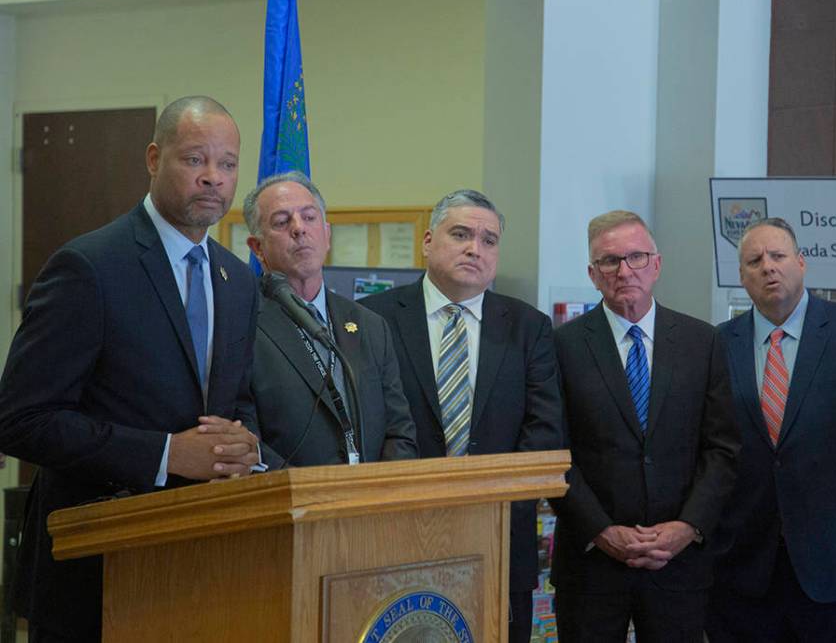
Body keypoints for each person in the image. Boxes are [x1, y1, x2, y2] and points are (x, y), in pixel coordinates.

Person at [0, 96, 261, 643]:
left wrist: (245, 445)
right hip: (94, 575)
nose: (214, 178)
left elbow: (234, 403)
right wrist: (165, 454)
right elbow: (21, 418)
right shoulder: (89, 266)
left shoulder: (238, 280)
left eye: (228, 163)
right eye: (195, 160)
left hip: (202, 572)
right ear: (152, 158)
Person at [359, 189, 563, 642]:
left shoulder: (529, 328)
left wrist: (484, 501)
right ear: (428, 241)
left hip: (498, 539)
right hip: (395, 531)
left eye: (489, 240)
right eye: (461, 234)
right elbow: (366, 426)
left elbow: (544, 434)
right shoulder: (373, 319)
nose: (476, 248)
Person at [706, 217, 836, 642]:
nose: (768, 267)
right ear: (742, 278)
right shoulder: (716, 344)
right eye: (754, 260)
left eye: (778, 256)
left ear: (801, 263)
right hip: (746, 563)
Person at [550, 210, 740, 642]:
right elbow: (554, 454)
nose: (624, 271)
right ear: (592, 275)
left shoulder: (702, 342)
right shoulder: (560, 346)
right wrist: (600, 531)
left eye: (636, 257)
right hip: (592, 564)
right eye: (610, 261)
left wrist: (687, 527)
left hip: (679, 563)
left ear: (657, 265)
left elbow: (722, 449)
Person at [243, 171, 417, 466]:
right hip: (291, 502)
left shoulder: (371, 326)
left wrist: (381, 492)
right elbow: (246, 438)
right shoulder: (242, 325)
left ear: (327, 235)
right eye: (282, 222)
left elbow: (399, 430)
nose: (299, 229)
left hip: (370, 502)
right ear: (258, 248)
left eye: (309, 218)